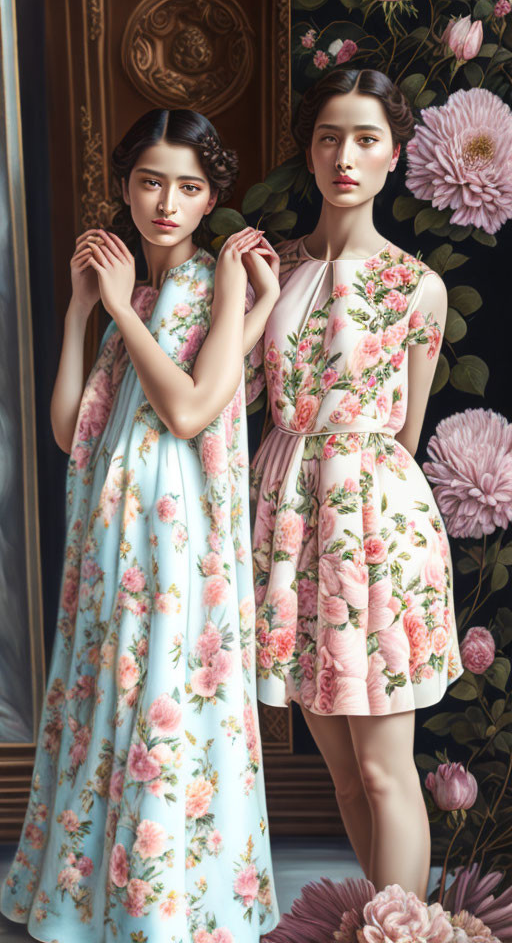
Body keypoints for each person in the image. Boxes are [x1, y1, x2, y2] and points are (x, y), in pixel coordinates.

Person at [1, 109, 280, 942]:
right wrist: (82, 314)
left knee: (159, 698)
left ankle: (162, 910)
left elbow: (194, 411)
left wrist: (128, 311)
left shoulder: (208, 280)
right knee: (108, 697)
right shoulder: (142, 291)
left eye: (189, 187)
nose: (167, 201)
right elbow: (67, 431)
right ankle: (89, 901)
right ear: (124, 186)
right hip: (113, 533)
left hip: (173, 538)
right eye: (151, 181)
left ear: (210, 199)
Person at [247, 68, 463, 901]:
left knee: (382, 769)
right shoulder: (275, 267)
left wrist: (348, 476)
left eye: (366, 138)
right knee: (340, 774)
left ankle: (405, 929)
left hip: (374, 519)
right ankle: (379, 915)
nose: (346, 155)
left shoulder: (418, 287)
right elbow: (240, 394)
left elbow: (403, 434)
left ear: (394, 157)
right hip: (289, 518)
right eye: (331, 136)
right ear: (310, 150)